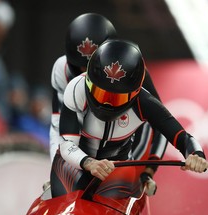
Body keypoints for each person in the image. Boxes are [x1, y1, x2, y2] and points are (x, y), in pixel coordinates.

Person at [50, 39, 208, 199]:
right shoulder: (76, 88)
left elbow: (181, 136)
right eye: (101, 93)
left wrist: (196, 155)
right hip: (73, 163)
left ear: (134, 95)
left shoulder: (144, 102)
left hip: (116, 168)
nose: (106, 103)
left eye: (116, 98)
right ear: (89, 82)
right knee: (62, 198)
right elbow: (66, 144)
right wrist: (89, 163)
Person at [49, 13, 168, 168]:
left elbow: (156, 123)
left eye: (93, 68)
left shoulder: (134, 74)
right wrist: (57, 167)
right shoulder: (62, 69)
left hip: (123, 146)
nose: (86, 76)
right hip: (82, 147)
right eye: (81, 68)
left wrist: (144, 168)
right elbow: (58, 124)